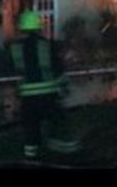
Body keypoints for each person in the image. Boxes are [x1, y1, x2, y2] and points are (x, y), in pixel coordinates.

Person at [9, 10, 81, 161]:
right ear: (38, 27)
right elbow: (58, 69)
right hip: (48, 96)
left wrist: (16, 93)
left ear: (22, 28)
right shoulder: (47, 45)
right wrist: (64, 87)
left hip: (27, 99)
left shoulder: (15, 48)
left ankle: (31, 159)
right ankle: (68, 156)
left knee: (31, 129)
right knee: (59, 123)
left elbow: (14, 72)